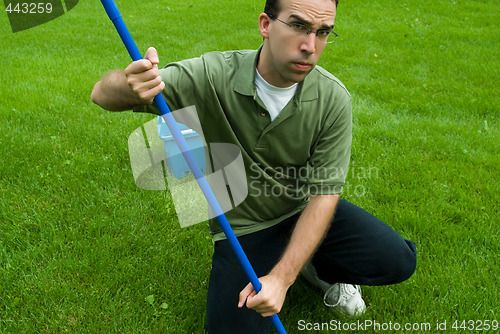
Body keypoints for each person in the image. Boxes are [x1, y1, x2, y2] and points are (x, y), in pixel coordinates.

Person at [91, 0, 417, 332]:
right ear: (265, 24)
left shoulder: (332, 98)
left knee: (398, 260)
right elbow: (101, 94)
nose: (310, 46)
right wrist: (131, 86)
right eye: (299, 26)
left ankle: (313, 268)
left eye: (323, 32)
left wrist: (282, 278)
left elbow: (324, 196)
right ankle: (299, 261)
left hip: (301, 210)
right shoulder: (212, 75)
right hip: (245, 227)